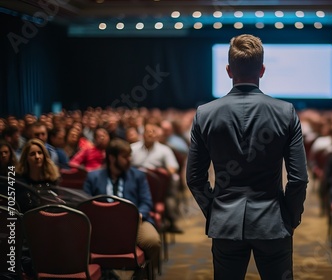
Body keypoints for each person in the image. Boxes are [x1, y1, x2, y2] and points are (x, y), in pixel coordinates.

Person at [186, 34, 308, 280]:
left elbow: (194, 178)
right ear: (262, 70)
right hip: (273, 221)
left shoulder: (205, 114)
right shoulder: (286, 112)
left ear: (229, 71)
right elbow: (298, 179)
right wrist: (290, 218)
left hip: (225, 222)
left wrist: (214, 211)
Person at [83, 138, 161, 273]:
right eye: (125, 156)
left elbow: (146, 202)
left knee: (152, 241)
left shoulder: (138, 176)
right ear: (112, 158)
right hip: (102, 225)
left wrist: (139, 214)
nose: (129, 159)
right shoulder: (93, 177)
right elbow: (85, 203)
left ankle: (141, 274)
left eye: (129, 155)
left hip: (134, 222)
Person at [131, 122, 183, 233]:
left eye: (153, 131)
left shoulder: (164, 150)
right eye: (147, 131)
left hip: (158, 188)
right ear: (142, 134)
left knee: (172, 185)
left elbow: (173, 168)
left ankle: (171, 221)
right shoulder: (133, 148)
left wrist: (164, 170)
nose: (150, 134)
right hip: (135, 185)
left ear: (156, 135)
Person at [16, 138, 61, 212]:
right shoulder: (19, 181)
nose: (37, 157)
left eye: (40, 153)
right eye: (32, 154)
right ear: (26, 158)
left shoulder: (52, 178)